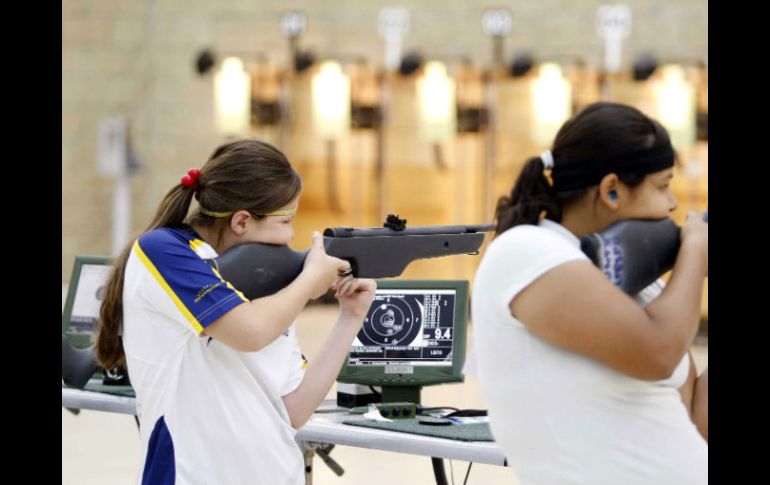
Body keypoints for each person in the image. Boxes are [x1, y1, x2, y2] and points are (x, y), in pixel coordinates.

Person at [96, 139, 376, 484]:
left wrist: (351, 317)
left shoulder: (267, 290)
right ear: (241, 221)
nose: (292, 236)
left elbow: (294, 409)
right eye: (286, 221)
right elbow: (249, 333)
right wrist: (308, 283)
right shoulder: (163, 251)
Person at [470, 102, 708, 484]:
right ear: (611, 190)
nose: (673, 204)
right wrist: (695, 253)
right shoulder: (527, 252)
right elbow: (660, 352)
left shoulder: (632, 282)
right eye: (663, 187)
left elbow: (692, 422)